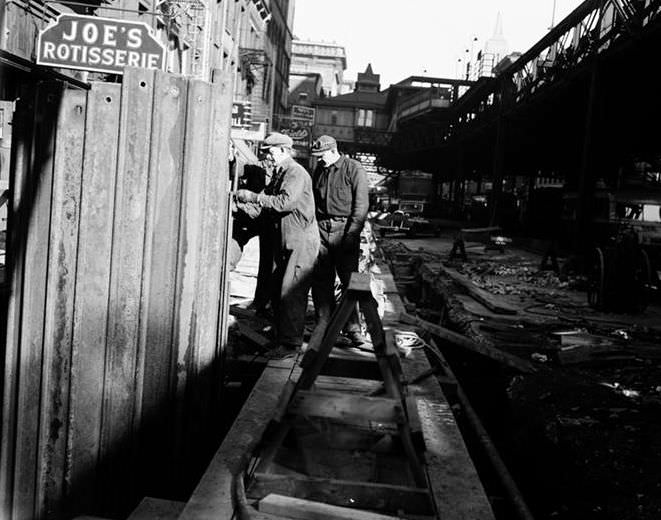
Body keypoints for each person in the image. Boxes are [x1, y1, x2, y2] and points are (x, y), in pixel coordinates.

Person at [235, 133, 319, 357]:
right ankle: (280, 338)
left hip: (299, 243)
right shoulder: (281, 173)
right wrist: (240, 207)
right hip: (286, 241)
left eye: (271, 152)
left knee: (291, 292)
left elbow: (284, 203)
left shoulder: (295, 172)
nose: (268, 158)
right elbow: (267, 204)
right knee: (277, 289)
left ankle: (290, 345)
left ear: (283, 150)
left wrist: (253, 197)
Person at [310, 135, 369, 347]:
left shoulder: (354, 169)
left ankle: (353, 329)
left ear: (334, 151)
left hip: (344, 231)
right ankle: (324, 324)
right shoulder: (320, 170)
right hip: (321, 229)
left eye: (321, 155)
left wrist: (351, 236)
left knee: (349, 282)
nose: (319, 160)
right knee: (321, 280)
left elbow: (361, 207)